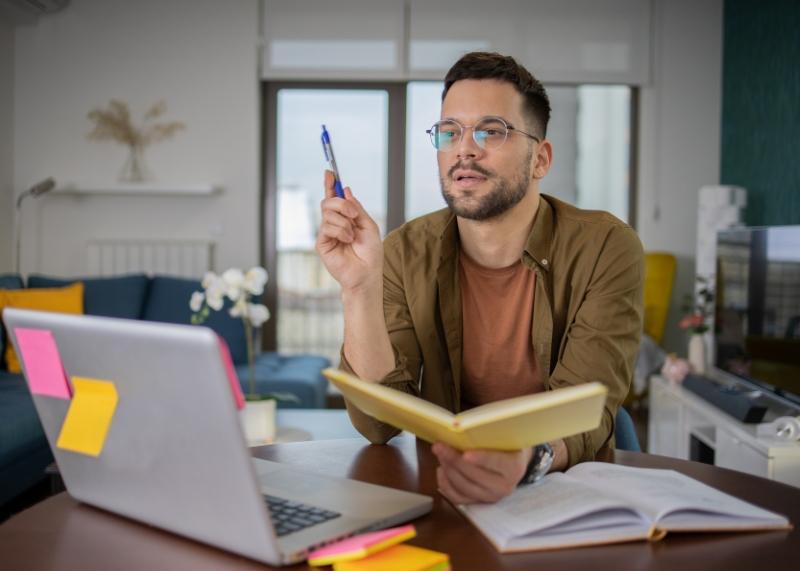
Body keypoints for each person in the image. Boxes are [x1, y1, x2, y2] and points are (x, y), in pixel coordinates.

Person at [316, 52, 643, 504]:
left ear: (540, 160)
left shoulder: (606, 246)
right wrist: (358, 288)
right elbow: (378, 423)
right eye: (449, 132)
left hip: (566, 489)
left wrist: (523, 461)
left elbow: (588, 407)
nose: (464, 148)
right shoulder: (404, 251)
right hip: (449, 487)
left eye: (491, 131)